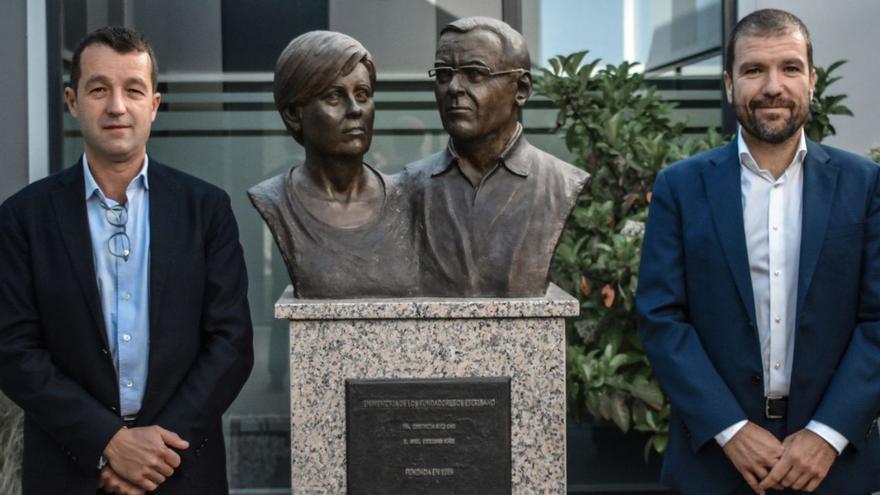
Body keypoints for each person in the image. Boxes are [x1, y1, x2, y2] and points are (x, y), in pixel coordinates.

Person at [0, 26, 254, 494]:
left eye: (133, 90)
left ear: (153, 105)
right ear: (72, 101)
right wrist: (109, 442)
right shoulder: (22, 218)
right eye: (99, 89)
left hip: (181, 470)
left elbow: (231, 344)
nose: (117, 106)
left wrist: (153, 453)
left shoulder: (206, 209)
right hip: (70, 472)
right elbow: (13, 350)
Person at [636, 9, 880, 495]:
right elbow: (661, 318)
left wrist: (826, 435)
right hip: (714, 464)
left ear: (812, 80)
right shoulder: (680, 187)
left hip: (836, 467)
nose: (773, 86)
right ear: (729, 84)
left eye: (790, 68)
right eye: (753, 70)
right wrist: (729, 428)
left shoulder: (865, 185)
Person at [402, 16, 590, 297]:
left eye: (475, 74)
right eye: (443, 74)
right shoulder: (409, 186)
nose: (453, 87)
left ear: (521, 89)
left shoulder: (561, 183)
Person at [248, 31, 417, 298]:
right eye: (334, 97)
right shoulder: (273, 199)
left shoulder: (407, 198)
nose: (355, 110)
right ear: (294, 114)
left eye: (362, 94)